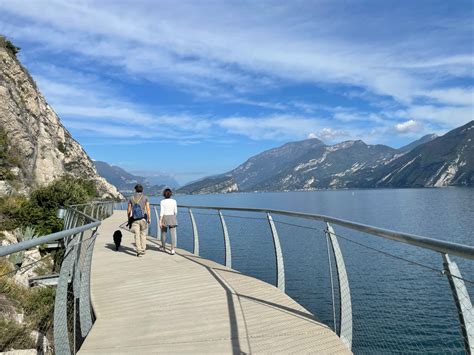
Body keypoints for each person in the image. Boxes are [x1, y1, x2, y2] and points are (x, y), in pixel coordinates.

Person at [128, 184, 151, 257]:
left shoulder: (131, 198)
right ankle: (143, 249)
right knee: (143, 234)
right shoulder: (145, 197)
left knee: (137, 235)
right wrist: (149, 218)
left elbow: (129, 210)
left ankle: (138, 250)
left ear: (135, 190)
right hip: (143, 218)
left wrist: (129, 218)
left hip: (135, 219)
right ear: (142, 190)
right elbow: (148, 209)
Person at [160, 188, 178, 255]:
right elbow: (176, 211)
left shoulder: (162, 201)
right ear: (170, 194)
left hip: (165, 217)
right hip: (172, 217)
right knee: (173, 234)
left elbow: (162, 212)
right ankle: (172, 249)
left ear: (164, 194)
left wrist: (160, 221)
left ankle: (163, 247)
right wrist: (174, 217)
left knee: (163, 233)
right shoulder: (174, 201)